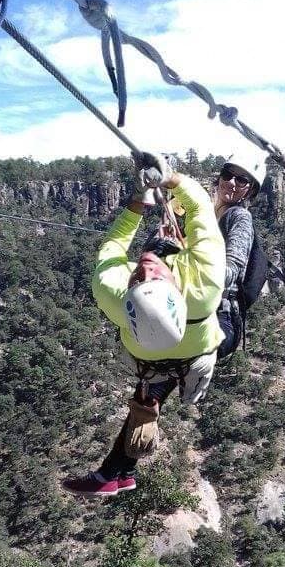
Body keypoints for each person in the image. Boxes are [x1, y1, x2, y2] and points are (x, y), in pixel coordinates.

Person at [62, 153, 226, 498]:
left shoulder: (114, 294)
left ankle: (117, 471)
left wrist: (138, 203)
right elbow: (200, 211)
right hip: (196, 355)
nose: (146, 266)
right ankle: (118, 471)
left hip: (147, 363)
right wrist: (172, 180)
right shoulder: (203, 284)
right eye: (150, 275)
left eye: (142, 274)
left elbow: (113, 248)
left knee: (147, 396)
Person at [213, 151, 267, 357]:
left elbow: (232, 268)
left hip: (221, 312)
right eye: (228, 174)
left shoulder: (239, 217)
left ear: (250, 189)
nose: (232, 182)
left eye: (242, 179)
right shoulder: (203, 213)